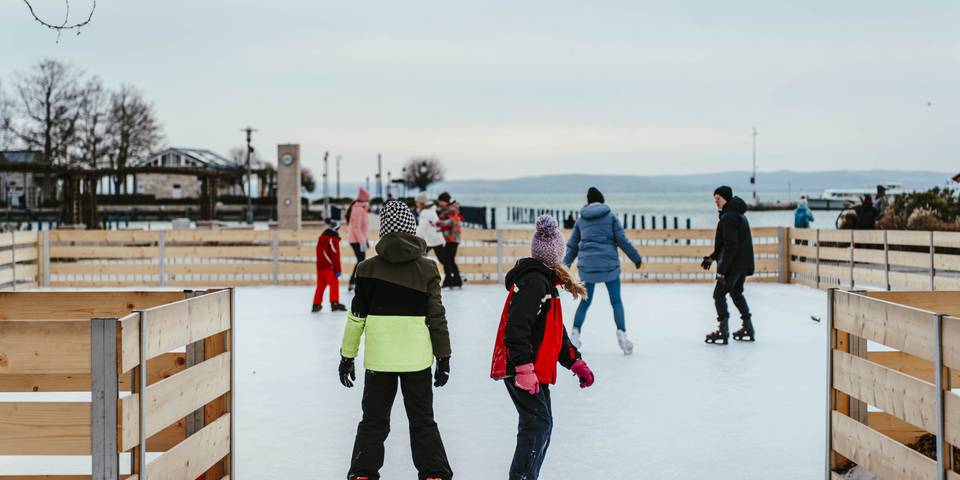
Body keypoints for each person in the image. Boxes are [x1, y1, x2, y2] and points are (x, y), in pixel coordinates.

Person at [339, 200, 453, 480]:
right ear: (411, 228)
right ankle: (434, 473)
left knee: (373, 421)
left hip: (380, 361)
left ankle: (362, 473)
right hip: (416, 361)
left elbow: (356, 318)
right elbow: (437, 317)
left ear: (384, 229)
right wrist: (443, 356)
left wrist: (347, 356)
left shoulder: (366, 269)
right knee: (422, 419)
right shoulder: (428, 269)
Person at [490, 215, 595, 480]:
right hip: (521, 368)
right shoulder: (534, 283)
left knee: (540, 425)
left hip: (532, 369)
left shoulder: (545, 282)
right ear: (555, 254)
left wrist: (575, 362)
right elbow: (516, 328)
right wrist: (524, 369)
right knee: (537, 425)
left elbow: (554, 333)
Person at [563, 187, 643, 355]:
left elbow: (572, 246)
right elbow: (622, 240)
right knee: (616, 302)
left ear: (588, 201)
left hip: (587, 267)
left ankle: (575, 334)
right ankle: (622, 333)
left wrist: (565, 266)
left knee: (585, 302)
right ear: (602, 200)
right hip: (609, 266)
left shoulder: (581, 221)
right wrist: (636, 258)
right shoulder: (611, 217)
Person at [701, 186, 755, 345]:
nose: (716, 202)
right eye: (714, 199)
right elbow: (727, 244)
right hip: (742, 264)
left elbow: (731, 246)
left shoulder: (729, 217)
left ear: (725, 198)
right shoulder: (738, 215)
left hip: (733, 265)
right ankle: (748, 327)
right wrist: (712, 258)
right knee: (736, 293)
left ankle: (723, 331)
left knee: (718, 294)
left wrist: (722, 271)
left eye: (718, 198)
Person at [312, 221, 347, 313]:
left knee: (320, 286)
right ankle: (334, 303)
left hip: (320, 267)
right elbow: (335, 255)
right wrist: (338, 269)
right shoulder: (332, 239)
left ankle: (316, 304)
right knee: (334, 284)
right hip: (329, 267)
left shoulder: (321, 239)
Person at [436, 193, 463, 289]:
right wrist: (440, 227)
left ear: (444, 201)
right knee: (450, 260)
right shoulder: (449, 210)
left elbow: (452, 222)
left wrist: (439, 223)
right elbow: (449, 224)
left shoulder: (451, 210)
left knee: (447, 260)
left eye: (440, 201)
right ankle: (457, 281)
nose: (439, 203)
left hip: (453, 239)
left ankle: (450, 281)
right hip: (452, 239)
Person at [346, 187, 371, 291]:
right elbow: (356, 228)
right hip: (356, 240)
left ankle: (354, 282)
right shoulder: (358, 210)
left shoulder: (361, 209)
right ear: (364, 199)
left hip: (359, 240)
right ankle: (354, 283)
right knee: (361, 262)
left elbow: (362, 228)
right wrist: (362, 242)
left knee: (361, 261)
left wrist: (366, 240)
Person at [415, 191, 446, 260]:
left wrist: (414, 236)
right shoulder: (428, 211)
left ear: (421, 203)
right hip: (433, 239)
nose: (416, 204)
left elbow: (422, 228)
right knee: (442, 259)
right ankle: (452, 270)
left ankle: (453, 270)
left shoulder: (426, 212)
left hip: (433, 239)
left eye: (417, 202)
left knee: (420, 257)